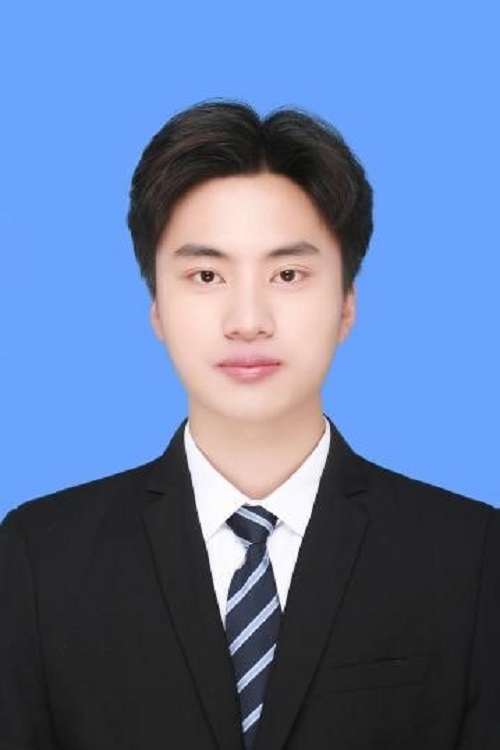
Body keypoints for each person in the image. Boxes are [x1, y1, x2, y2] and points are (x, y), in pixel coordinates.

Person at [0, 100, 498, 750]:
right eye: (206, 275)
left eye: (288, 274)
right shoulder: (40, 557)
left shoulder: (470, 557)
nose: (247, 320)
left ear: (346, 304)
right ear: (157, 306)